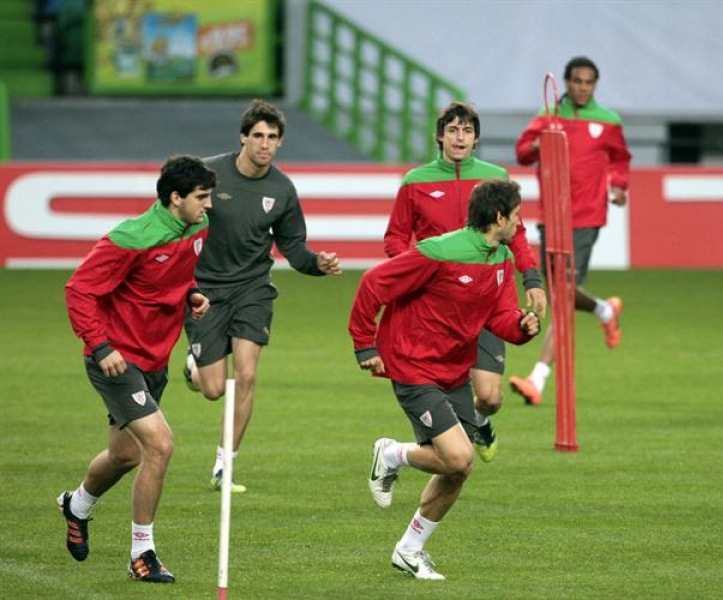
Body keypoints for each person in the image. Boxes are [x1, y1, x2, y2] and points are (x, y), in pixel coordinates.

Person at [351, 179, 541, 580]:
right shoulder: (438, 250)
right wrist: (365, 345)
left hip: (454, 369)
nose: (521, 223)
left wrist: (522, 327)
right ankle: (390, 454)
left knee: (458, 469)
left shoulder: (502, 258)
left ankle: (409, 550)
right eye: (517, 215)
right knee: (458, 457)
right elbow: (373, 284)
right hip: (412, 364)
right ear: (499, 217)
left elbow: (499, 317)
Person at [58, 155, 216, 583]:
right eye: (201, 197)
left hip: (154, 359)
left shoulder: (196, 227)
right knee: (160, 446)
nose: (208, 205)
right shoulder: (131, 237)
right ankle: (141, 554)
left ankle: (77, 505)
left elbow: (175, 278)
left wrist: (192, 295)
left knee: (125, 454)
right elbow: (79, 290)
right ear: (175, 198)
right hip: (116, 360)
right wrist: (100, 345)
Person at [182, 99, 342, 492]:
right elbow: (178, 215)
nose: (264, 144)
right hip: (205, 290)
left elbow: (295, 248)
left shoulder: (282, 190)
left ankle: (225, 466)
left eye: (272, 137)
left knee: (248, 374)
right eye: (258, 136)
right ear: (243, 137)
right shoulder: (210, 174)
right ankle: (194, 366)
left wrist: (317, 264)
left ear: (280, 143)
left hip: (253, 289)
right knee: (213, 389)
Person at [384, 101, 547, 462]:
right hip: (437, 308)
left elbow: (516, 235)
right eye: (453, 130)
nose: (460, 137)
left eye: (468, 131)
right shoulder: (415, 182)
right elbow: (395, 238)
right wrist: (414, 273)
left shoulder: (495, 178)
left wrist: (531, 277)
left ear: (476, 139)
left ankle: (477, 420)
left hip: (485, 297)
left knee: (490, 396)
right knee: (439, 391)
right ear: (440, 136)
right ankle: (445, 439)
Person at [508, 56, 632, 406]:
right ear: (566, 82)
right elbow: (522, 152)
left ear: (595, 85)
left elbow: (621, 158)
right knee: (562, 291)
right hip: (552, 217)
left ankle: (538, 378)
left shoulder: (608, 121)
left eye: (588, 82)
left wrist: (619, 185)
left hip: (588, 216)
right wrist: (535, 146)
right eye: (576, 81)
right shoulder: (548, 116)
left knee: (560, 297)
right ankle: (605, 310)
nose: (582, 87)